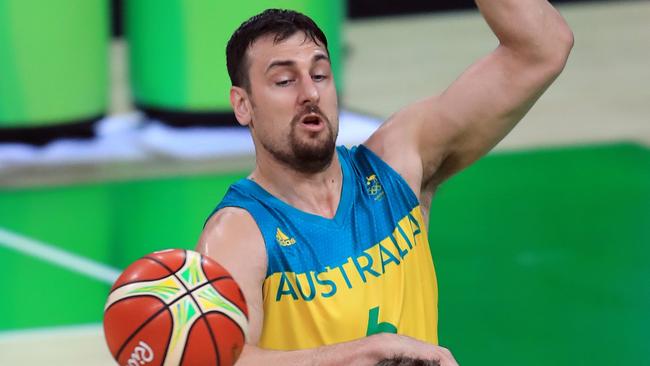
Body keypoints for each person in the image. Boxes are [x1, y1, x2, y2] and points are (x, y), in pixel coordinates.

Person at [197, 1, 573, 365]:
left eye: (320, 75)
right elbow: (222, 359)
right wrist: (364, 354)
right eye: (283, 80)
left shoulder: (397, 162)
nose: (309, 94)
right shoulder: (238, 232)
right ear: (242, 104)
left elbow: (542, 48)